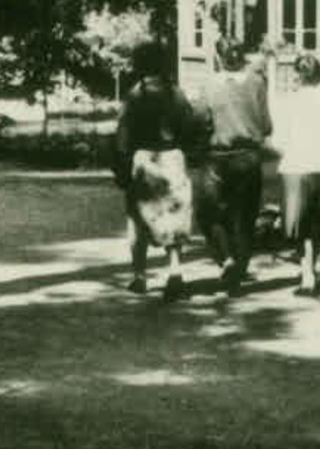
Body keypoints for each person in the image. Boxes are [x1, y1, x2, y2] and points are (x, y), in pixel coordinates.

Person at [112, 41, 208, 302]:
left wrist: (122, 162)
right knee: (173, 216)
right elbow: (190, 127)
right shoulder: (176, 93)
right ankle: (175, 270)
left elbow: (123, 134)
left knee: (139, 217)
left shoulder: (135, 95)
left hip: (145, 159)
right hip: (173, 158)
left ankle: (140, 276)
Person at [195, 38, 273, 294]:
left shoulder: (209, 84)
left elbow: (201, 120)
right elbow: (266, 126)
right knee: (245, 217)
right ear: (242, 58)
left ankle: (226, 258)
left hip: (217, 157)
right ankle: (237, 273)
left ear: (219, 58)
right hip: (248, 158)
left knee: (208, 212)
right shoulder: (257, 82)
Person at [271, 52, 320, 296]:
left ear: (297, 76)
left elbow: (279, 141)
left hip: (298, 167)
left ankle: (308, 275)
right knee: (317, 221)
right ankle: (316, 264)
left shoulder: (289, 102)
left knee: (299, 226)